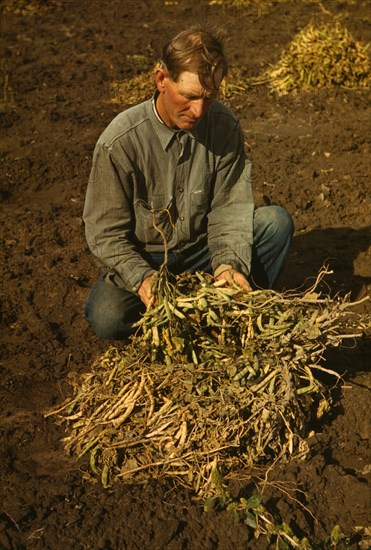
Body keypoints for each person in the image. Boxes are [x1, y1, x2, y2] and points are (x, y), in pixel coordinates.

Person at [83, 26, 294, 340]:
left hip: (203, 251)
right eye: (190, 96)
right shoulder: (120, 142)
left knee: (275, 224)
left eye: (208, 99)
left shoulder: (224, 126)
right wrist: (142, 278)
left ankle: (224, 311)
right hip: (147, 256)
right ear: (161, 80)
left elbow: (229, 209)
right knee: (106, 316)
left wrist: (226, 264)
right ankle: (177, 316)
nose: (198, 111)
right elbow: (104, 233)